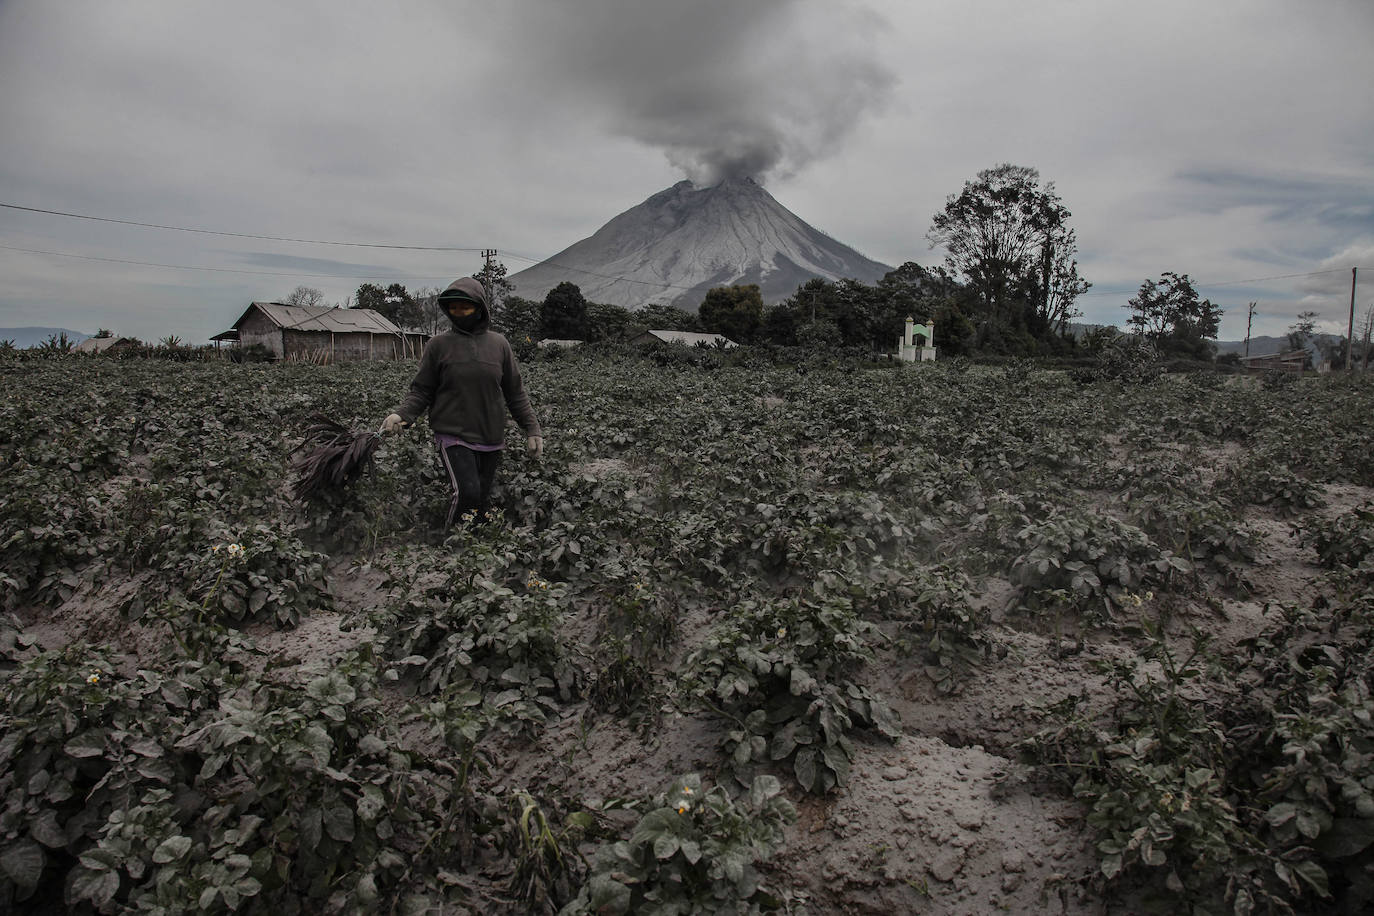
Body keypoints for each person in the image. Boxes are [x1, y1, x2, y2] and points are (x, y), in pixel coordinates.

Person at [382, 277, 543, 529]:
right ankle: (452, 544)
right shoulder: (438, 345)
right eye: (453, 307)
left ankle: (472, 551)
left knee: (480, 497)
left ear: (479, 308)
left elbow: (515, 393)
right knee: (467, 493)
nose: (458, 312)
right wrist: (401, 415)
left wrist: (532, 430)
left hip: (490, 435)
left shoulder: (499, 345)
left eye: (464, 307)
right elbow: (422, 390)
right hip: (453, 433)